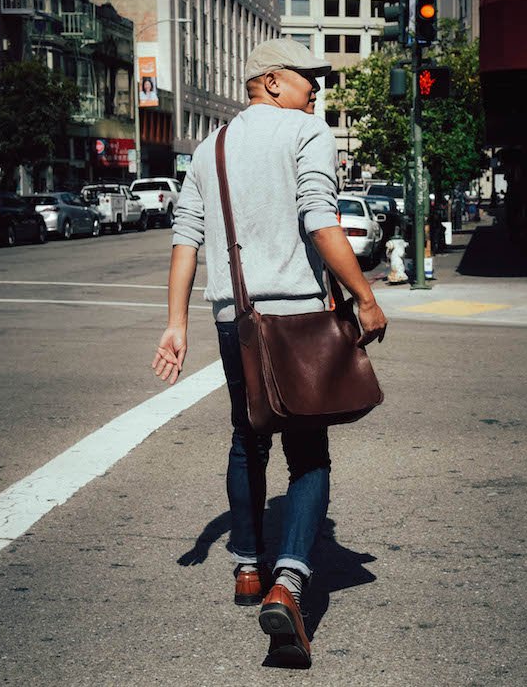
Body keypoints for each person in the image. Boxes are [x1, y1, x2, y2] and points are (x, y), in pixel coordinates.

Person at [151, 37, 386, 668]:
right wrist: (365, 296)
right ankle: (289, 584)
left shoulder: (211, 147)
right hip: (298, 316)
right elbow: (320, 218)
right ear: (274, 81)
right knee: (308, 453)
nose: (318, 91)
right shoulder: (307, 133)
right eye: (310, 78)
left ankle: (248, 566)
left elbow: (186, 239)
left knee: (247, 436)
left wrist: (175, 323)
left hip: (236, 318)